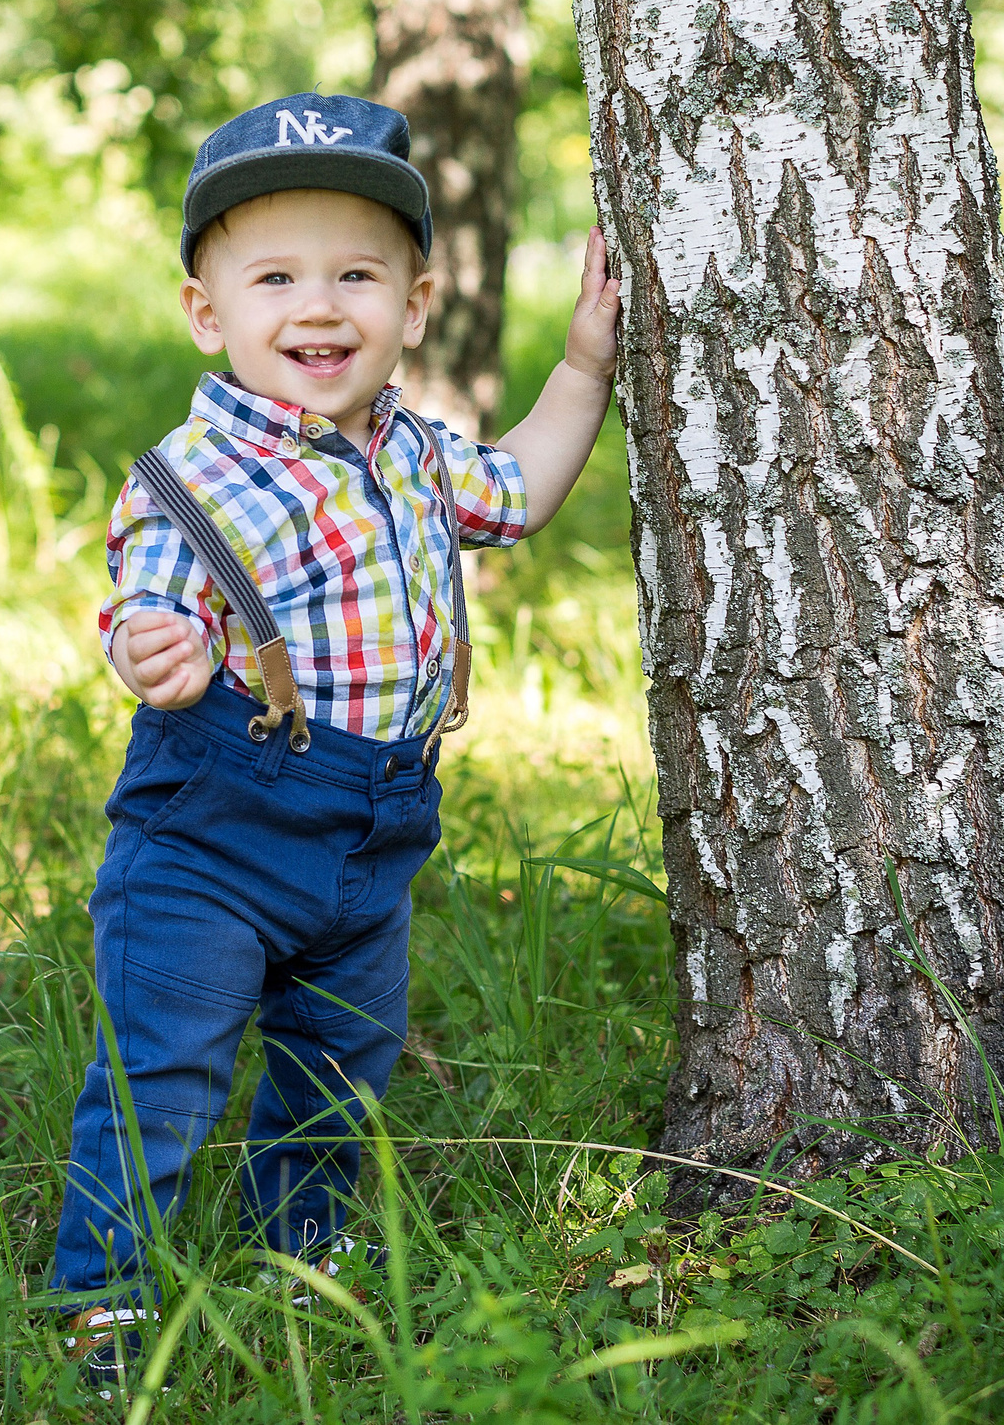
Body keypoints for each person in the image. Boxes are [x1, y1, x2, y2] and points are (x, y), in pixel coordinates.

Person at [50, 91, 621, 1393]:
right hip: (215, 836)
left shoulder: (412, 450)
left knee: (339, 1063)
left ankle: (304, 1252)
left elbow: (522, 489)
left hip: (375, 835)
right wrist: (153, 647)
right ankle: (104, 1301)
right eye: (275, 278)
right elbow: (148, 593)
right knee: (164, 1073)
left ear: (414, 307)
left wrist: (585, 368)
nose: (319, 306)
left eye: (356, 275)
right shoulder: (202, 473)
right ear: (207, 312)